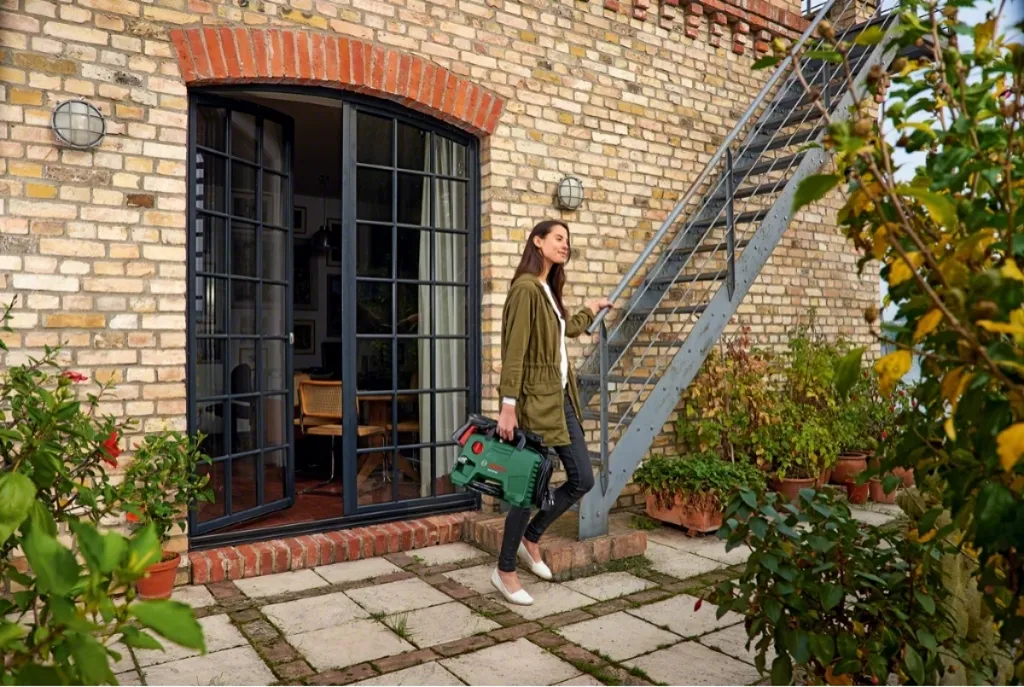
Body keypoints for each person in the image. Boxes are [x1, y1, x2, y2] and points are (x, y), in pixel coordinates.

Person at [491, 219, 613, 605]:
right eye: (558, 238)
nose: (565, 245)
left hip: (562, 400)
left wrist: (588, 311)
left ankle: (532, 536)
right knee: (527, 487)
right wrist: (508, 405)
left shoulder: (546, 289)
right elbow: (514, 350)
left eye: (567, 240)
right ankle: (504, 570)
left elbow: (563, 332)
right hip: (535, 403)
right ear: (537, 242)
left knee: (582, 478)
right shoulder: (525, 288)